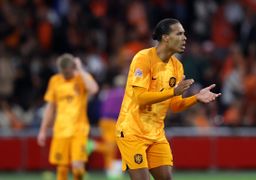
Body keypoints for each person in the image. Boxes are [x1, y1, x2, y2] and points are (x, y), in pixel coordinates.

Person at [116, 18, 221, 180]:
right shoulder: (143, 58)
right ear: (165, 37)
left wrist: (196, 98)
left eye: (184, 34)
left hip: (156, 133)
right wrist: (172, 91)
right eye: (179, 34)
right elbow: (140, 99)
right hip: (132, 131)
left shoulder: (177, 67)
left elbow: (175, 105)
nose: (184, 38)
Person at [37, 53, 99, 180]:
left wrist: (81, 69)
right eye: (63, 71)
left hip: (79, 130)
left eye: (68, 71)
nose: (65, 74)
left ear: (73, 67)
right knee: (62, 168)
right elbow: (50, 107)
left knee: (77, 168)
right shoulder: (55, 80)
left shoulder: (81, 78)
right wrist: (43, 130)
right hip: (60, 130)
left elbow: (94, 89)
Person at [86, 74, 126, 179]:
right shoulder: (123, 94)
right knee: (111, 146)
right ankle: (92, 145)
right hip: (112, 121)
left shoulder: (109, 93)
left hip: (103, 121)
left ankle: (110, 170)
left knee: (110, 146)